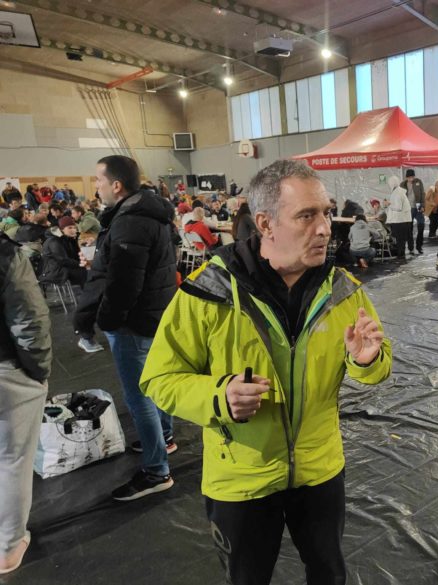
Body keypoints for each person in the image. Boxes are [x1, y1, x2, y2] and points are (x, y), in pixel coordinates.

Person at [139, 159, 392, 585]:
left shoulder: (343, 291)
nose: (325, 228)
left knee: (329, 574)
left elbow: (377, 369)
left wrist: (366, 361)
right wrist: (218, 397)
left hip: (320, 470)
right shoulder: (208, 292)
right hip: (241, 479)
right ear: (265, 223)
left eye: (326, 213)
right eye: (306, 215)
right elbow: (159, 379)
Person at [74, 155, 178, 500]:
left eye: (99, 181)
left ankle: (156, 470)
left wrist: (108, 321)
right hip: (157, 314)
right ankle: (164, 439)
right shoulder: (151, 214)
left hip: (135, 322)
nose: (97, 187)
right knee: (158, 384)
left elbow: (123, 285)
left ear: (116, 185)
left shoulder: (130, 222)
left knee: (140, 397)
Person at [0, 231, 51, 575]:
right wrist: (38, 373)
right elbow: (29, 319)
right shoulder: (6, 254)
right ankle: (8, 546)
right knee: (12, 461)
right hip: (7, 373)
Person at [39, 216, 87, 288]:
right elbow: (62, 260)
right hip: (55, 271)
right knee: (85, 272)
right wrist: (80, 264)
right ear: (62, 229)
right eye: (69, 228)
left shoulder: (66, 239)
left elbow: (75, 255)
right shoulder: (54, 241)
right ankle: (88, 293)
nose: (73, 230)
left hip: (62, 268)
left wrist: (75, 240)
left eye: (74, 228)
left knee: (89, 270)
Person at [385, 175, 412, 261]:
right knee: (401, 239)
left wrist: (388, 204)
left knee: (400, 239)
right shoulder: (399, 192)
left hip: (399, 220)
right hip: (402, 220)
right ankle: (401, 255)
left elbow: (398, 208)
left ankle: (400, 255)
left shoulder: (397, 193)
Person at [401, 169, 425, 254]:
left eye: (412, 177)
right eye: (409, 177)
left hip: (418, 207)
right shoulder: (402, 184)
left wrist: (423, 206)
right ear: (406, 177)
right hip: (408, 208)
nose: (411, 179)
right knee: (409, 229)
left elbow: (422, 194)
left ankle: (419, 246)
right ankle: (411, 248)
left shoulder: (418, 182)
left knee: (421, 225)